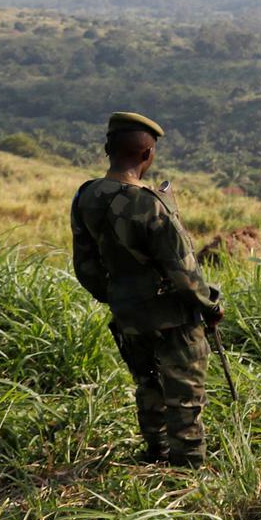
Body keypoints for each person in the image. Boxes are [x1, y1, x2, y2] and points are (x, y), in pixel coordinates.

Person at [71, 112, 223, 467]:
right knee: (184, 394)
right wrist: (210, 305)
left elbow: (86, 267)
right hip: (171, 317)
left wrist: (118, 296)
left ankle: (156, 452)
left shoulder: (86, 196)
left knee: (148, 384)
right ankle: (187, 470)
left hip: (127, 314)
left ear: (108, 148)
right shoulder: (151, 204)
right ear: (146, 155)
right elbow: (184, 273)